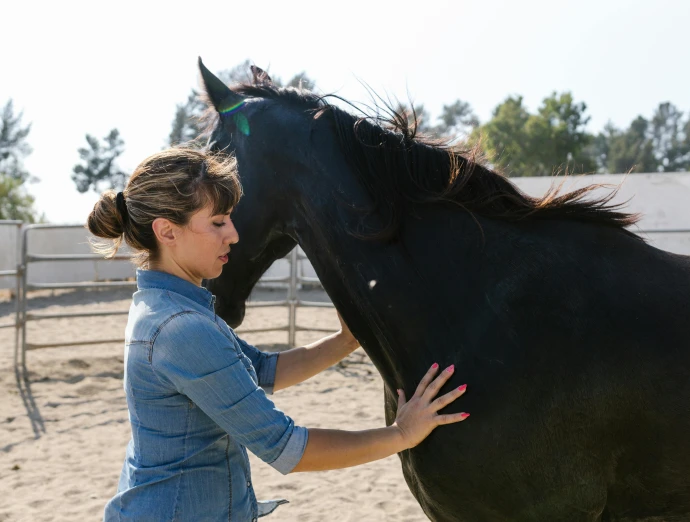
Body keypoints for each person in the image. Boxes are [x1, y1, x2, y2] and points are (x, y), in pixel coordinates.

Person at [87, 148, 470, 521]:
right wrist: (402, 434)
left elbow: (263, 370)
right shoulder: (181, 328)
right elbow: (286, 447)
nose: (233, 235)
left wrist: (344, 341)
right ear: (167, 231)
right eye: (218, 222)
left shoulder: (168, 306)